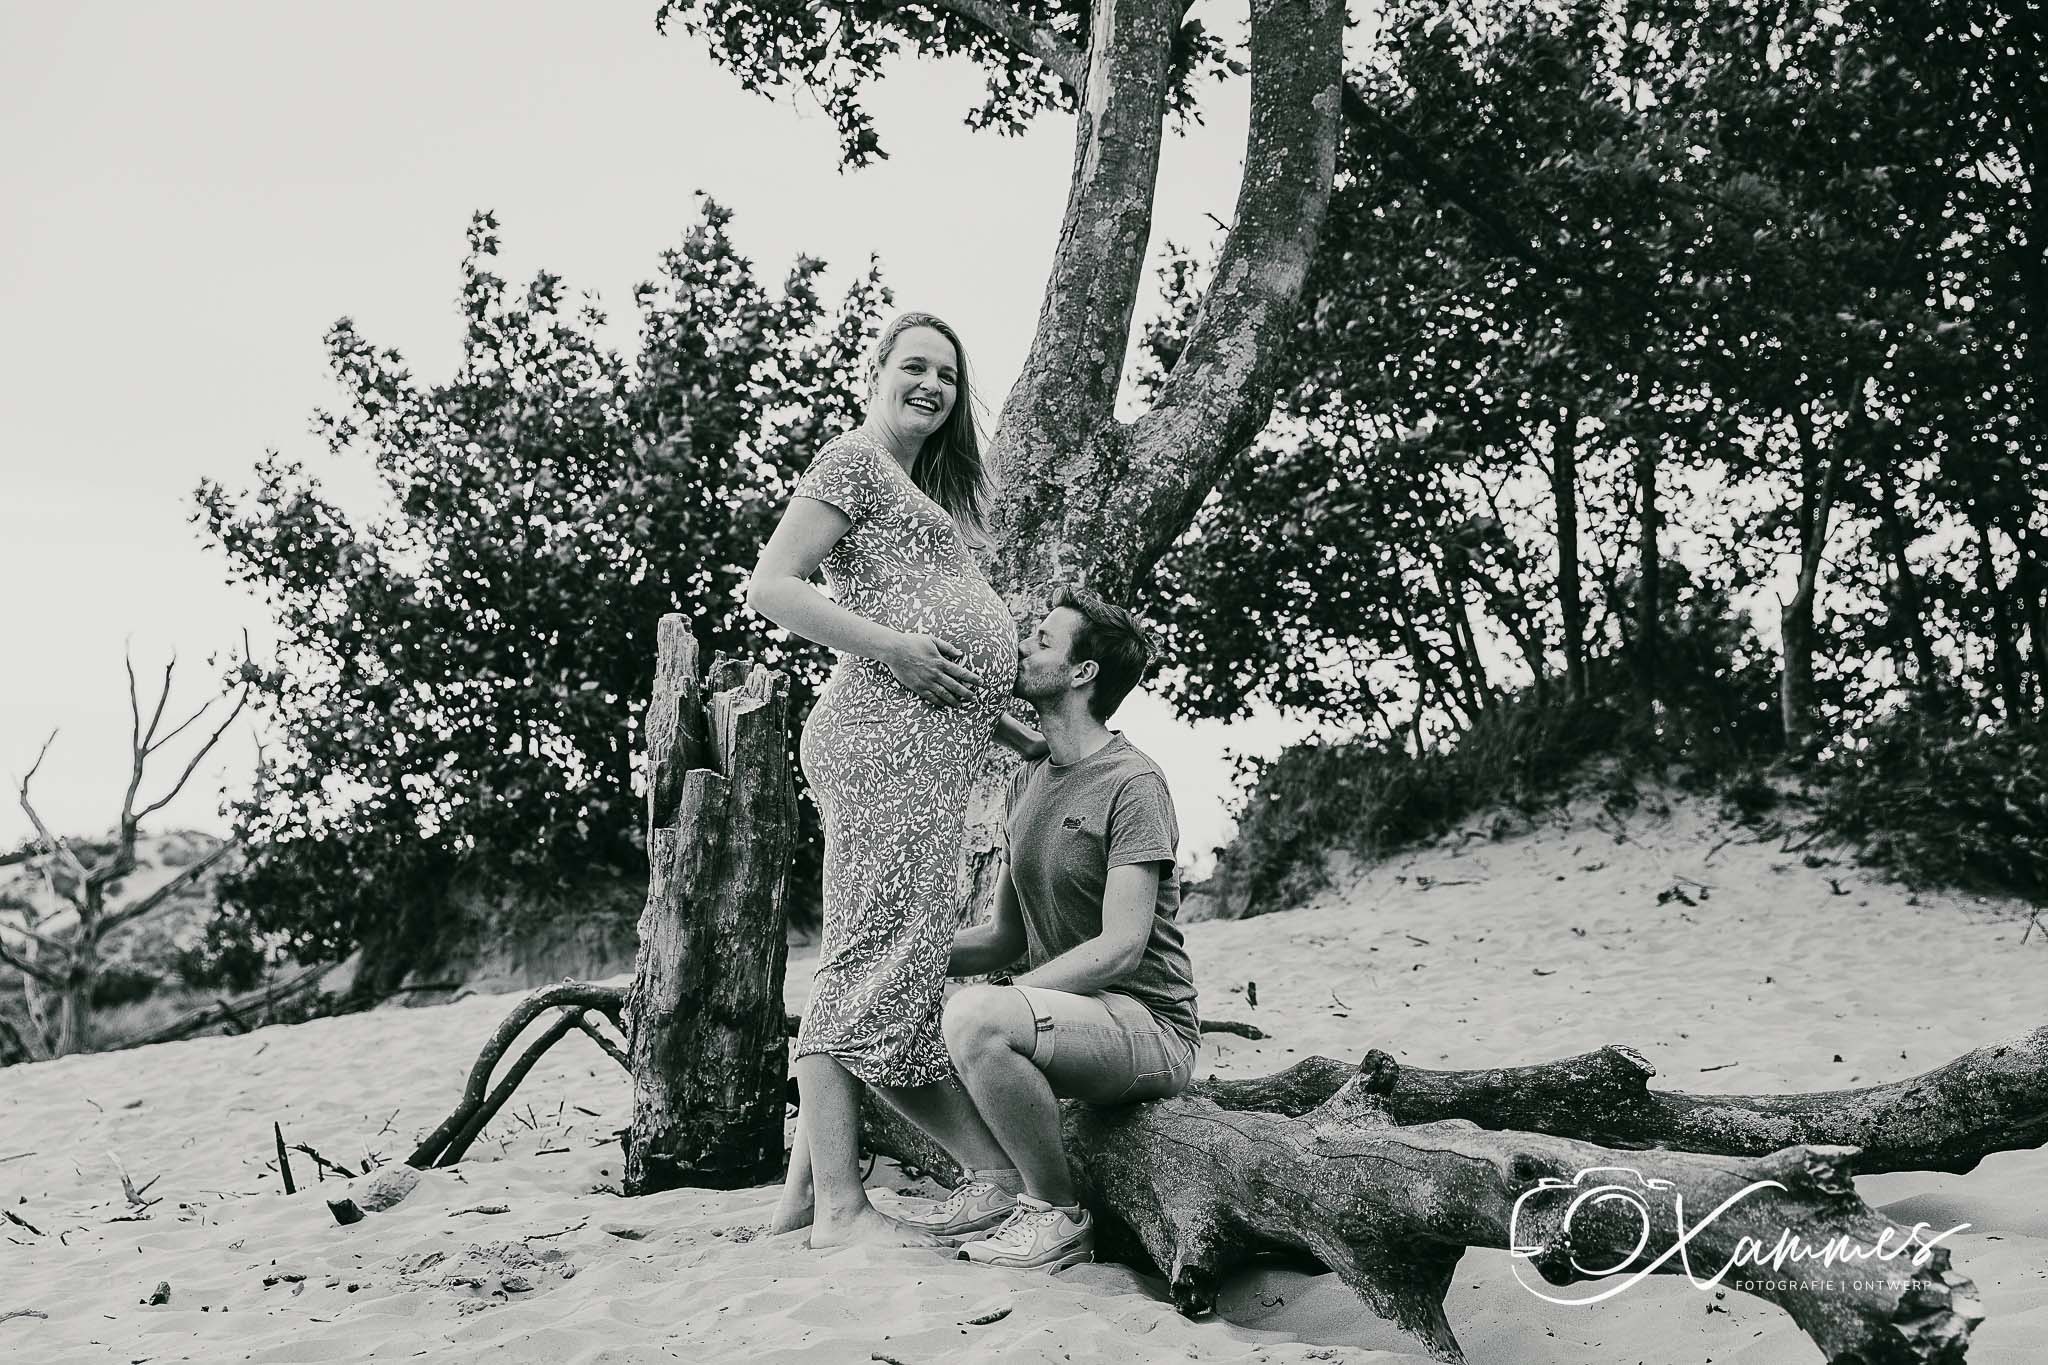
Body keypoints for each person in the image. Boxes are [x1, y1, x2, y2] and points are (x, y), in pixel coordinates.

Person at [746, 311, 1044, 1249]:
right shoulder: (850, 462)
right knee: (874, 961)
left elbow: (930, 634)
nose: (932, 385)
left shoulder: (916, 490)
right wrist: (903, 655)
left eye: (948, 377)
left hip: (922, 741)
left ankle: (801, 1196)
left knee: (877, 952)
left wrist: (989, 706)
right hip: (882, 742)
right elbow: (774, 586)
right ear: (875, 372)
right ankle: (842, 1206)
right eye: (914, 366)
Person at [897, 586, 1201, 1271]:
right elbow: (1004, 936)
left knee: (977, 1017)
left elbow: (1121, 947)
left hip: (1148, 1026)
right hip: (1066, 1015)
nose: (1023, 646)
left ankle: (1056, 1212)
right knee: (880, 1001)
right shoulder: (1030, 780)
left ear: (1083, 672)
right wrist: (905, 958)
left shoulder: (1133, 782)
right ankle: (995, 1182)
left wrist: (1007, 1001)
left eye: (1042, 639)